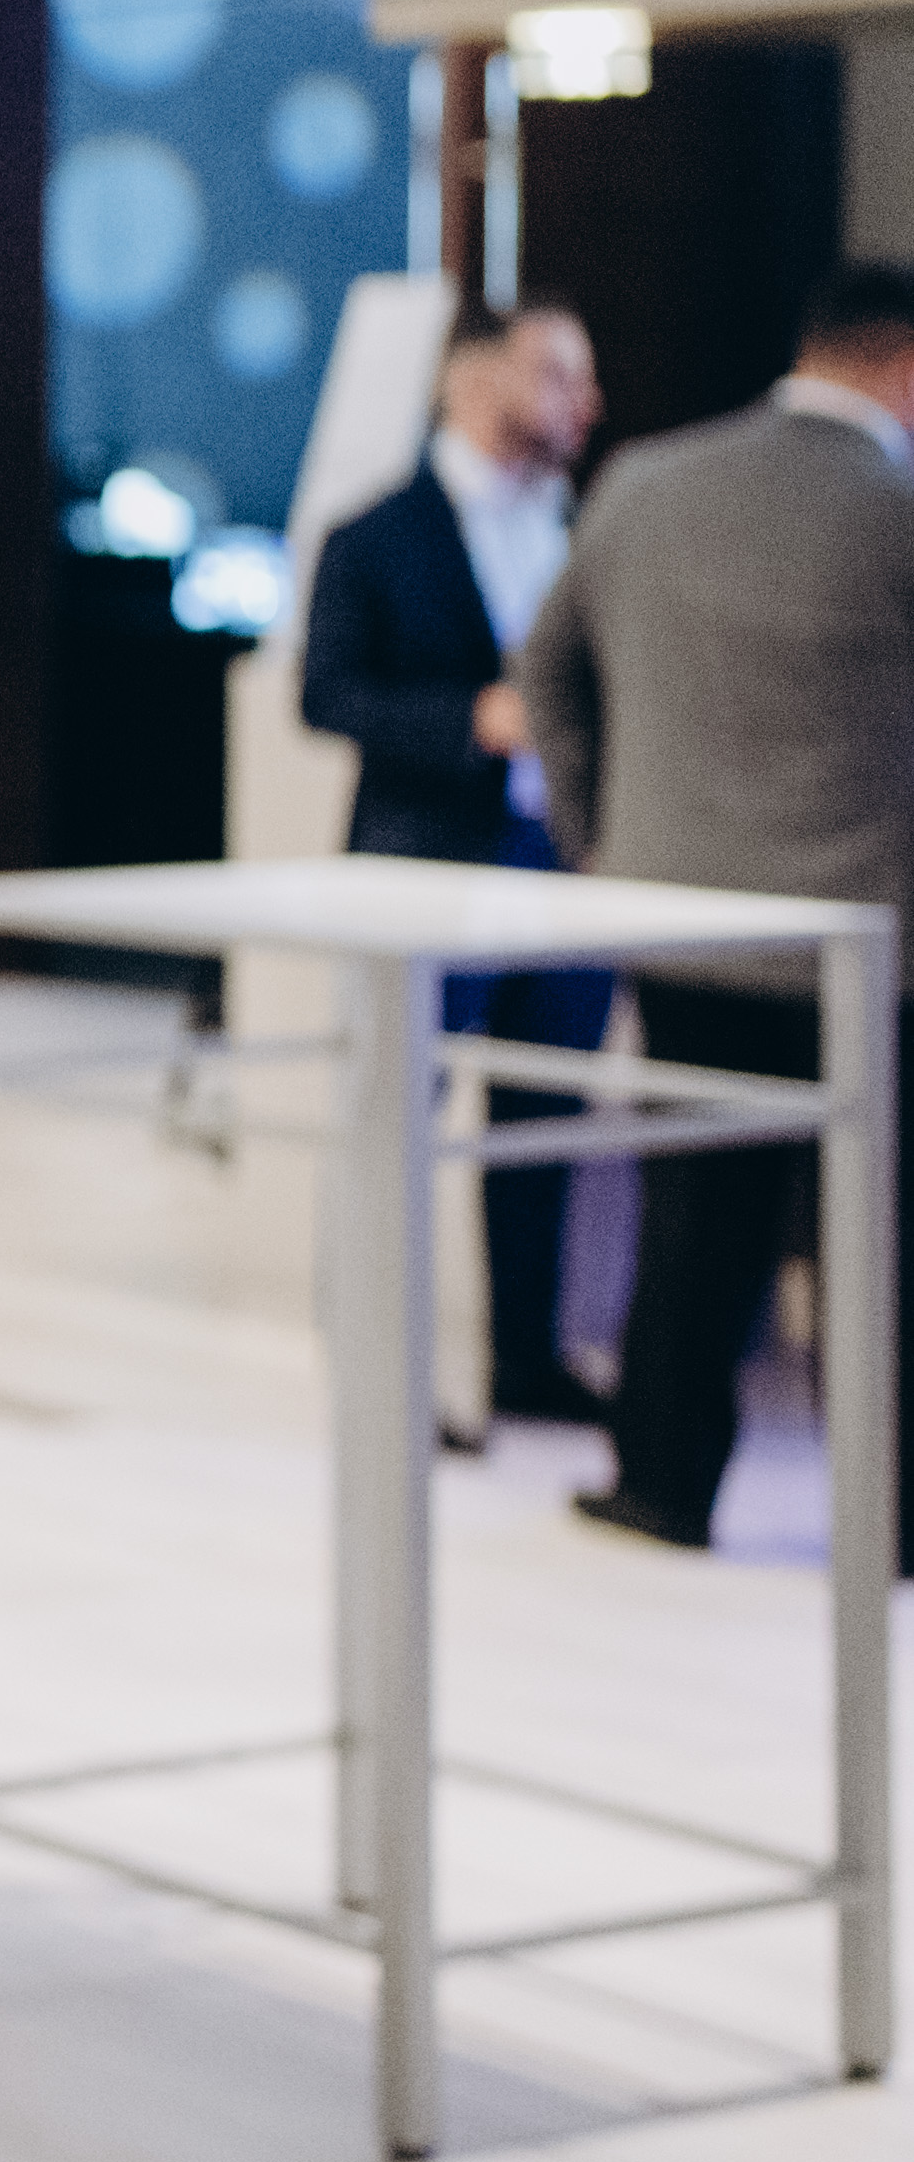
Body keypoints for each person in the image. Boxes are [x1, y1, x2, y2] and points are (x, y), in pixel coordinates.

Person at [520, 260, 914, 1567]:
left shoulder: (644, 482)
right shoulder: (896, 509)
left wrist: (597, 840)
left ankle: (661, 1483)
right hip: (872, 944)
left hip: (681, 920)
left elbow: (546, 673)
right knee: (885, 1240)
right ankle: (894, 1520)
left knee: (692, 1216)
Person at [299, 296, 610, 1432]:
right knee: (394, 1120)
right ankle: (381, 1376)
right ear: (471, 382)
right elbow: (324, 693)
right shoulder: (375, 532)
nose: (583, 403)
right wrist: (466, 721)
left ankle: (527, 1359)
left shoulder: (579, 524)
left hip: (554, 859)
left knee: (543, 1117)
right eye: (556, 374)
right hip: (421, 863)